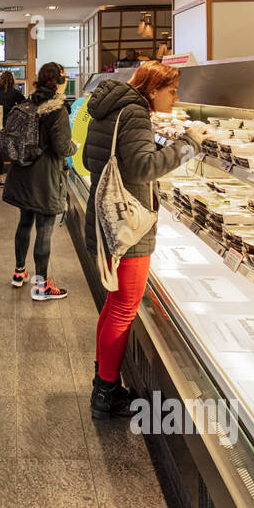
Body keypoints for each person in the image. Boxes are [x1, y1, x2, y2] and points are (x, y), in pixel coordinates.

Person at [82, 60, 208, 418]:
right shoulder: (135, 113)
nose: (176, 98)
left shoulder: (109, 108)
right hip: (128, 227)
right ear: (152, 90)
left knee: (113, 305)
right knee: (124, 309)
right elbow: (143, 167)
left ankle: (103, 381)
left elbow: (93, 159)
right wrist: (189, 143)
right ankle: (106, 392)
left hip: (105, 220)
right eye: (172, 91)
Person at [2, 61, 74, 301]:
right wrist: (74, 147)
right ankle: (41, 285)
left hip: (23, 173)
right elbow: (62, 147)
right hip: (45, 178)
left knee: (24, 223)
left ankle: (19, 271)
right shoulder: (58, 110)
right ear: (60, 82)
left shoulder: (28, 103)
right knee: (44, 229)